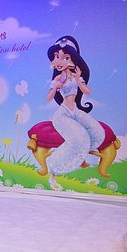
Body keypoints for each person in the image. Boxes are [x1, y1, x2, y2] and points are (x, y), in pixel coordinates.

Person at [44, 35, 105, 185]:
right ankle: (53, 164)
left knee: (98, 132)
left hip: (75, 111)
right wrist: (55, 88)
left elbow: (87, 91)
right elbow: (49, 97)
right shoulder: (58, 79)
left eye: (65, 58)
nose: (59, 61)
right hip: (63, 114)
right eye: (56, 57)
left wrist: (78, 78)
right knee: (80, 138)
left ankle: (79, 153)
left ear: (73, 60)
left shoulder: (76, 77)